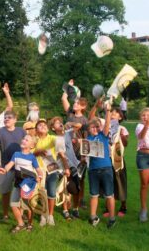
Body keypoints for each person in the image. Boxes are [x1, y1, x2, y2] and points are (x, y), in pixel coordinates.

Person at [0, 135, 44, 233]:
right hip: (17, 183)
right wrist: (4, 170)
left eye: (27, 140)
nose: (24, 140)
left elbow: (39, 171)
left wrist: (39, 178)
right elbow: (9, 165)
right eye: (23, 139)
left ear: (31, 146)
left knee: (28, 206)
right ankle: (21, 224)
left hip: (28, 184)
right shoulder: (16, 154)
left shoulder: (32, 157)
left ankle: (30, 224)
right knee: (13, 204)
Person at [0, 111, 26, 221]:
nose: (6, 119)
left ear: (15, 119)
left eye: (9, 117)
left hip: (21, 166)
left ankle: (21, 213)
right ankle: (5, 214)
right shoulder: (1, 131)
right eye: (5, 118)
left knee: (21, 190)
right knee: (5, 192)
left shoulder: (21, 131)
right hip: (5, 166)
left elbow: (29, 143)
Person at [86, 102, 116, 229]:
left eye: (96, 127)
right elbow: (85, 154)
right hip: (92, 169)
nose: (94, 129)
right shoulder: (87, 139)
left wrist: (108, 111)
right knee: (94, 194)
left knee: (109, 194)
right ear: (89, 128)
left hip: (106, 168)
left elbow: (107, 124)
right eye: (92, 127)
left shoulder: (103, 135)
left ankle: (112, 218)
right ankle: (93, 216)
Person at [61, 79, 88, 214]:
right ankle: (67, 203)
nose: (75, 104)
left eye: (77, 103)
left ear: (83, 107)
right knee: (68, 177)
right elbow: (63, 98)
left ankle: (79, 202)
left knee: (80, 178)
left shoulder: (85, 120)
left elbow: (85, 138)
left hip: (79, 153)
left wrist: (84, 155)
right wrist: (69, 87)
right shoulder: (70, 114)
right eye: (75, 102)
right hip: (67, 152)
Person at [33, 118, 61, 226]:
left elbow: (60, 143)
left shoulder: (52, 138)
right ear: (36, 130)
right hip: (39, 171)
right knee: (42, 193)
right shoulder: (34, 140)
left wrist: (60, 132)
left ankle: (51, 216)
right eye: (40, 125)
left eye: (45, 125)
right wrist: (37, 151)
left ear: (48, 129)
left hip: (52, 169)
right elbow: (30, 153)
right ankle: (43, 215)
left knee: (52, 193)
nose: (43, 126)